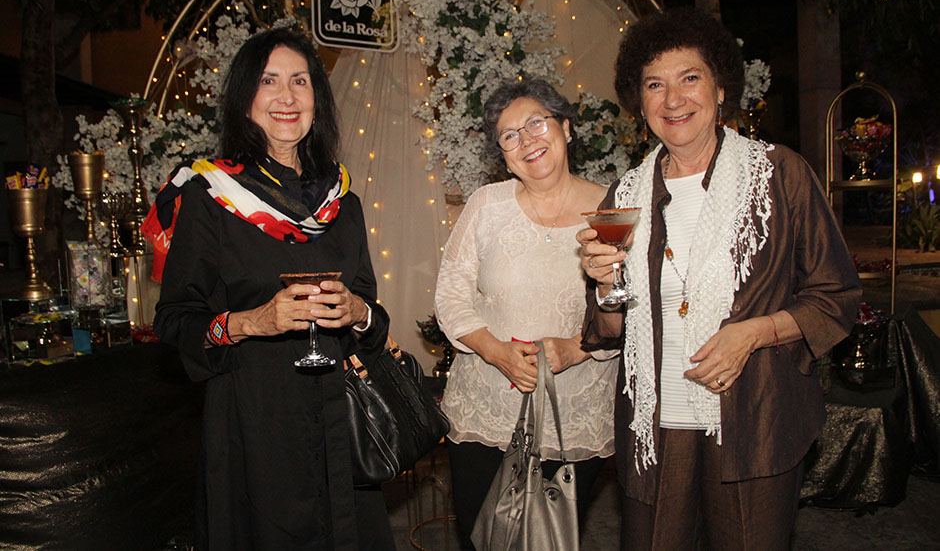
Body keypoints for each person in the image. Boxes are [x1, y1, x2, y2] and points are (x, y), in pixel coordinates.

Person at [577, 7, 862, 550]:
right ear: (640, 104)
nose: (673, 99)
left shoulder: (780, 175)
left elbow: (835, 297)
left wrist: (751, 333)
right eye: (654, 85)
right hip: (655, 432)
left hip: (754, 420)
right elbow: (611, 331)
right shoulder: (624, 196)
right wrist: (603, 284)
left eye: (690, 78)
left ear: (721, 88)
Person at [146, 28, 395, 550]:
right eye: (269, 81)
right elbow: (173, 323)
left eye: (300, 82)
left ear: (316, 101)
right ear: (245, 99)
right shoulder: (211, 197)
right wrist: (252, 322)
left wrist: (358, 313)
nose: (287, 97)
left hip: (340, 424)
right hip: (252, 428)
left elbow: (372, 314)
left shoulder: (340, 200)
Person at [435, 78, 619, 550]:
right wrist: (495, 351)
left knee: (549, 540)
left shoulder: (611, 208)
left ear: (566, 128)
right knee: (482, 537)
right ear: (503, 153)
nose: (526, 140)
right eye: (510, 135)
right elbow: (450, 295)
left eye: (536, 123)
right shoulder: (486, 206)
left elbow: (631, 306)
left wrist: (578, 350)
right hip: (486, 409)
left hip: (572, 412)